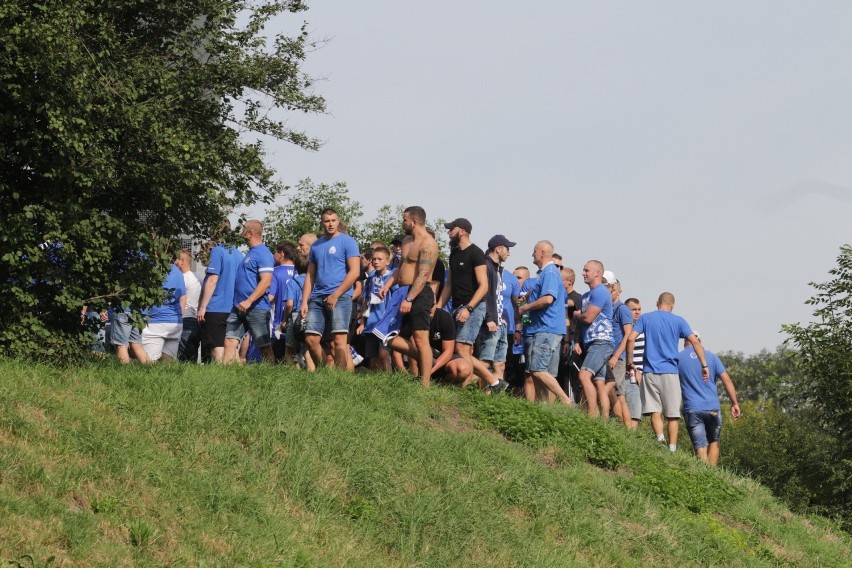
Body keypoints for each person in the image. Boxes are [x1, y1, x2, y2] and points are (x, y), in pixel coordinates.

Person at [626, 292, 708, 452]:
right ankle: (672, 447)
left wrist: (630, 362)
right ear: (672, 305)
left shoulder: (646, 318)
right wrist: (704, 365)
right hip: (670, 372)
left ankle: (659, 438)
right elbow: (695, 342)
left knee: (654, 409)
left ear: (658, 303)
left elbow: (630, 338)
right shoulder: (678, 321)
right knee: (672, 414)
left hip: (649, 371)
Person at [437, 218, 506, 392]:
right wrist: (438, 308)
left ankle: (471, 388)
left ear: (462, 231)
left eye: (451, 229)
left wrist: (468, 308)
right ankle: (495, 382)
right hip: (457, 307)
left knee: (462, 348)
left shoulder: (476, 253)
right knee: (462, 350)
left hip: (474, 308)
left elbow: (484, 286)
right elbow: (449, 286)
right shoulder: (453, 253)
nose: (448, 232)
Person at [299, 208, 361, 371]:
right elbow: (310, 275)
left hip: (340, 297)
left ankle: (338, 381)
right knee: (311, 339)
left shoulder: (348, 241)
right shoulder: (316, 246)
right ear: (322, 223)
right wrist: (304, 301)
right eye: (327, 221)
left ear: (338, 221)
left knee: (339, 341)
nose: (330, 224)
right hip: (317, 298)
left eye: (333, 220)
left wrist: (336, 294)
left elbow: (355, 272)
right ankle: (325, 370)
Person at [387, 206, 439, 386]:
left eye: (404, 219)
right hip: (401, 291)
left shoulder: (428, 243)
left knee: (420, 338)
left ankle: (424, 385)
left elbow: (424, 275)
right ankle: (426, 358)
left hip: (420, 293)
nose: (403, 223)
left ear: (414, 222)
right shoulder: (407, 240)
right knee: (387, 336)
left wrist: (410, 298)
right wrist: (386, 286)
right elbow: (401, 269)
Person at [517, 241, 573, 405]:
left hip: (546, 329)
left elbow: (548, 299)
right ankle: (544, 408)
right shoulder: (544, 274)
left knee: (538, 370)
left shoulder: (549, 272)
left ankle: (566, 401)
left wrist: (526, 307)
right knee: (536, 373)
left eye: (534, 251)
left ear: (542, 253)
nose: (532, 254)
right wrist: (528, 297)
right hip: (540, 329)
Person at [678, 333, 742, 464]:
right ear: (699, 341)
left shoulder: (678, 358)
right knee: (714, 441)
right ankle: (712, 475)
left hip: (692, 408)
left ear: (685, 342)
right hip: (712, 407)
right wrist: (734, 403)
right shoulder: (712, 357)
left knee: (700, 445)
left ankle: (704, 476)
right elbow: (727, 381)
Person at [223, 220, 275, 363]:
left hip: (256, 308)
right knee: (229, 342)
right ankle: (225, 380)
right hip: (238, 307)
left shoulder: (263, 253)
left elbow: (266, 282)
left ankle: (273, 377)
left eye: (243, 230)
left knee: (264, 346)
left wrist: (249, 301)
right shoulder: (249, 253)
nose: (240, 233)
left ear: (250, 233)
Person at [572, 260, 614, 417]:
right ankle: (604, 421)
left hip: (601, 341)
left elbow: (588, 318)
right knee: (599, 382)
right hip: (591, 342)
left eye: (586, 270)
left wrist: (577, 315)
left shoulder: (600, 292)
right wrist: (577, 340)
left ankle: (593, 415)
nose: (583, 273)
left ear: (597, 273)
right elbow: (583, 323)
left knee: (584, 375)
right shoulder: (586, 296)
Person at [198, 224, 244, 362]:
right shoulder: (238, 253)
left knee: (217, 348)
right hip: (233, 307)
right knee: (232, 349)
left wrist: (202, 306)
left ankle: (221, 379)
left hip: (216, 307)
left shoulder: (217, 251)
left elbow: (212, 280)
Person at [476, 234, 516, 385]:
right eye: (507, 249)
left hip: (500, 323)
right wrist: (489, 318)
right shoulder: (486, 266)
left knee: (500, 364)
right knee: (485, 363)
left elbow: (496, 296)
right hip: (490, 323)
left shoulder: (496, 268)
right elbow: (484, 295)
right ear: (498, 249)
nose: (509, 253)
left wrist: (500, 317)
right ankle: (462, 388)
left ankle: (496, 400)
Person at [356, 245, 395, 371]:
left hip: (386, 323)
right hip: (371, 322)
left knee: (384, 354)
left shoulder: (393, 277)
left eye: (380, 259)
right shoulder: (371, 278)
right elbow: (366, 301)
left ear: (388, 261)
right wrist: (362, 322)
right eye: (374, 259)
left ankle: (388, 380)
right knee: (372, 356)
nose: (376, 262)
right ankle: (375, 383)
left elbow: (396, 299)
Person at [141, 261, 187, 362]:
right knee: (168, 364)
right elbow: (183, 297)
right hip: (175, 322)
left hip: (155, 322)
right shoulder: (177, 271)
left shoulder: (151, 269)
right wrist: (179, 316)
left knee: (148, 363)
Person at [604, 272, 633, 427]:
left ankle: (627, 428)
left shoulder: (622, 309)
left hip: (617, 358)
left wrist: (616, 356)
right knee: (614, 393)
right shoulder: (607, 308)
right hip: (608, 356)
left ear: (618, 291)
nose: (610, 293)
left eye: (613, 290)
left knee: (618, 393)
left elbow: (628, 334)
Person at [269, 241, 297, 362]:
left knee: (279, 358)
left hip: (279, 323)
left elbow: (271, 296)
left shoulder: (275, 272)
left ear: (282, 254)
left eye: (275, 252)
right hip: (297, 319)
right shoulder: (300, 270)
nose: (273, 255)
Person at [175, 249, 202, 362]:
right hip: (195, 320)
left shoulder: (182, 279)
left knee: (184, 356)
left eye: (174, 259)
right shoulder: (198, 277)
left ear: (182, 261)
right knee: (192, 353)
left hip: (185, 319)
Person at [624, 297, 644, 430]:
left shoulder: (643, 329)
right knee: (633, 414)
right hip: (629, 376)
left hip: (640, 377)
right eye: (633, 309)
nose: (637, 312)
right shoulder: (626, 329)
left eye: (639, 309)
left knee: (635, 413)